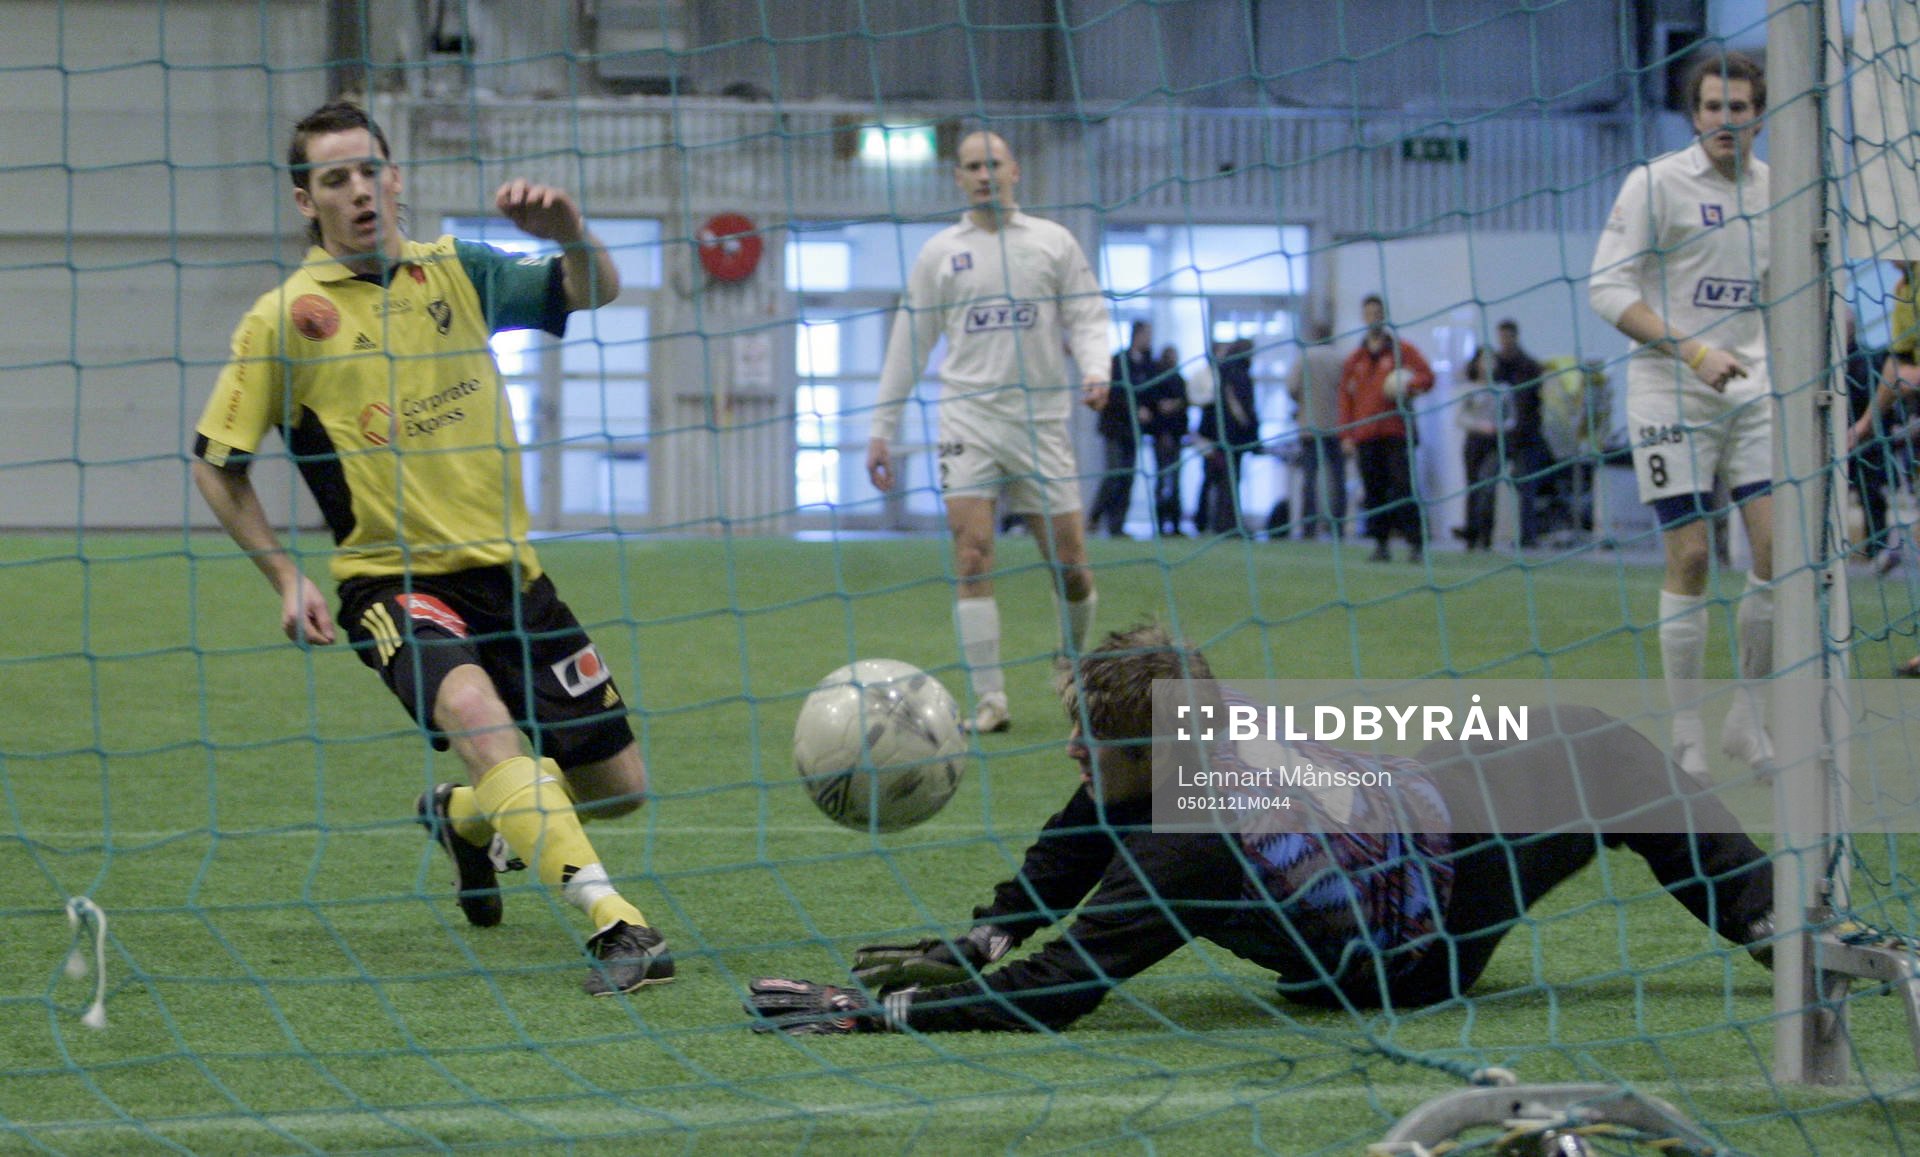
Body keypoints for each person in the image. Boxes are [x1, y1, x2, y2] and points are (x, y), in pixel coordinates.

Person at [190, 100, 670, 996]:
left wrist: (571, 232)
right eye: (335, 178)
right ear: (307, 201)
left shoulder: (461, 270)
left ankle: (463, 816)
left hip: (511, 577)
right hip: (391, 583)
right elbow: (217, 464)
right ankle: (616, 922)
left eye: (370, 169)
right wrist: (285, 573)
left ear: (396, 177)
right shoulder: (283, 320)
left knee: (619, 783)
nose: (359, 190)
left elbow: (596, 288)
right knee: (478, 720)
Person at [743, 624, 1775, 1035]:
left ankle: (1773, 920)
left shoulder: (1191, 842)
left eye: (1091, 741)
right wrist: (991, 929)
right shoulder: (1190, 729)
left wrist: (891, 1012)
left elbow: (1063, 989)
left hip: (1429, 931)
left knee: (1603, 748)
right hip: (1413, 817)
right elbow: (1086, 820)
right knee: (1591, 738)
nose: (1070, 752)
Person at [867, 130, 1112, 734]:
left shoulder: (1053, 243)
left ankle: (1070, 663)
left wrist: (1096, 368)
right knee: (972, 555)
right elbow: (909, 343)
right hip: (967, 420)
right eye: (972, 166)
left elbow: (1087, 314)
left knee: (1070, 564)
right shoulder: (940, 253)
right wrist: (882, 429)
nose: (984, 174)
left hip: (1041, 424)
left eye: (993, 164)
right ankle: (991, 700)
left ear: (1015, 170)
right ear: (958, 178)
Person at [1587, 51, 1776, 782]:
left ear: (1758, 111)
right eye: (1713, 108)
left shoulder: (1779, 193)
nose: (1727, 120)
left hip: (1755, 391)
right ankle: (1688, 732)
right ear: (1694, 115)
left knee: (1776, 551)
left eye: (1739, 107)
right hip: (1670, 388)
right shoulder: (1655, 183)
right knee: (1692, 554)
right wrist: (1693, 351)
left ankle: (1746, 718)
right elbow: (1606, 290)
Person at [1339, 294, 1435, 563]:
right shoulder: (1355, 359)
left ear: (1384, 316)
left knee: (1403, 488)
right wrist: (1346, 434)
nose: (1373, 318)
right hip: (1365, 435)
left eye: (1377, 313)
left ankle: (1416, 544)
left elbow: (1428, 377)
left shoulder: (1403, 351)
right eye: (1368, 313)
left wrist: (1408, 386)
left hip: (1397, 432)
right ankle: (1380, 545)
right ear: (1363, 317)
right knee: (1373, 492)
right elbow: (1345, 399)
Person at [1488, 320, 1554, 549]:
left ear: (1515, 336)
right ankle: (1480, 537)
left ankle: (1528, 537)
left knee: (1526, 489)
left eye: (1508, 336)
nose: (1504, 341)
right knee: (1486, 481)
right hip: (1499, 438)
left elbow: (1537, 401)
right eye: (1501, 336)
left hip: (1526, 438)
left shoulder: (1530, 367)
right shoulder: (1493, 366)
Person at [1087, 321, 1155, 539]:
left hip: (1133, 431)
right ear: (1138, 335)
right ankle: (1094, 519)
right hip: (1115, 428)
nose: (1150, 339)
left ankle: (1118, 525)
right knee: (1114, 474)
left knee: (1129, 477)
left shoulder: (1147, 364)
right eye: (1147, 334)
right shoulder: (1118, 361)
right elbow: (1113, 395)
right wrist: (1133, 409)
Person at [1288, 319, 1348, 539]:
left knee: (1310, 479)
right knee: (1337, 479)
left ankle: (1309, 527)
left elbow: (1291, 387)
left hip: (1309, 427)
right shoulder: (1340, 359)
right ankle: (1338, 526)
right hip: (1336, 425)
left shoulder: (1304, 358)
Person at [1194, 339, 1260, 535]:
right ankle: (1225, 523)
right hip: (1231, 437)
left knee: (1221, 480)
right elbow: (1239, 409)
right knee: (1226, 480)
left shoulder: (1223, 373)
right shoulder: (1235, 374)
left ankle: (1220, 521)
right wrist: (1249, 429)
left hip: (1221, 436)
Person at [1452, 347, 1502, 551]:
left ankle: (1486, 536)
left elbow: (1511, 418)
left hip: (1495, 442)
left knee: (1489, 487)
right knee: (1473, 486)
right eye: (1484, 360)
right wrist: (1478, 425)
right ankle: (1471, 534)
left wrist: (1499, 426)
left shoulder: (1502, 390)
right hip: (1474, 442)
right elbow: (1459, 417)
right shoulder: (1469, 390)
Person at [1140, 344, 1191, 537]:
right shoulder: (1157, 381)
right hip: (1162, 436)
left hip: (1176, 436)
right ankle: (1161, 524)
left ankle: (1175, 524)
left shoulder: (1179, 379)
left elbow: (1184, 405)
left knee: (1175, 481)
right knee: (1162, 480)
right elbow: (1155, 408)